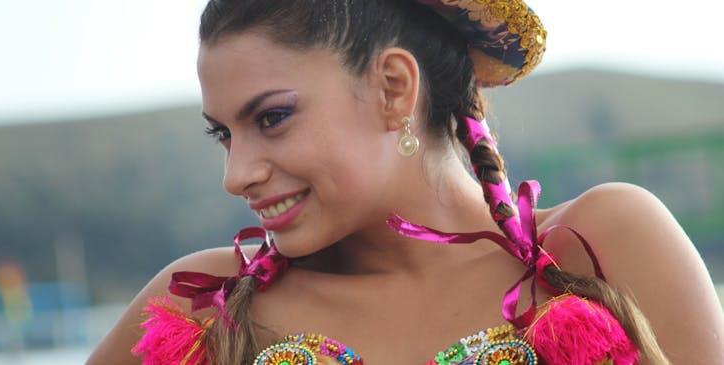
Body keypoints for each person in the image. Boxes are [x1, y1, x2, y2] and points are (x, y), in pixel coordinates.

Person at [87, 0, 724, 364]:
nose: (236, 175)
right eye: (224, 134)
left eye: (272, 119)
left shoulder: (602, 245)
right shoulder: (203, 305)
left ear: (395, 88)